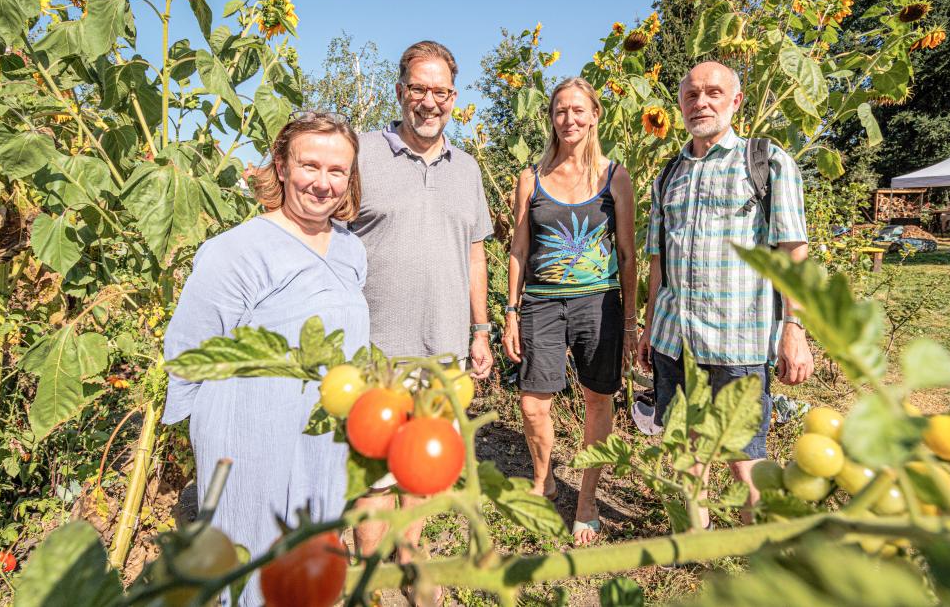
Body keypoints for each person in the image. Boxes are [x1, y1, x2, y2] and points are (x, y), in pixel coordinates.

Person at [163, 112, 368, 605]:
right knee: (254, 559)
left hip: (324, 437)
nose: (323, 184)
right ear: (281, 166)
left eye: (337, 171)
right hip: (253, 440)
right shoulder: (235, 252)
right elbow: (191, 348)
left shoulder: (351, 248)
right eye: (309, 166)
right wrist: (214, 441)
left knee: (311, 557)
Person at [636, 61, 814, 528]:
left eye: (714, 93)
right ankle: (694, 534)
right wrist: (649, 326)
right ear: (680, 105)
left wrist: (794, 329)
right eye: (692, 95)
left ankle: (759, 555)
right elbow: (658, 260)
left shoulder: (767, 161)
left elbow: (794, 252)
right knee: (684, 446)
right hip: (676, 338)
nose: (702, 103)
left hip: (740, 338)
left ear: (736, 101)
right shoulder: (668, 174)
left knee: (744, 454)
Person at [347, 41, 494, 582]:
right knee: (372, 477)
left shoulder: (468, 168)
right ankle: (366, 578)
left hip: (446, 353)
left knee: (421, 471)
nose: (429, 101)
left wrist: (480, 330)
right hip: (373, 351)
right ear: (400, 91)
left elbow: (475, 250)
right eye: (418, 89)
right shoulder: (361, 154)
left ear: (453, 97)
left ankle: (410, 566)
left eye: (440, 91)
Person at [502, 77, 638, 545]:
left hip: (598, 302)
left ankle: (587, 498)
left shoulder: (614, 176)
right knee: (533, 402)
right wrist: (510, 312)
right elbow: (519, 249)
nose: (570, 119)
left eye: (579, 110)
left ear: (595, 115)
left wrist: (632, 320)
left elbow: (626, 254)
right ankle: (544, 480)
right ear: (552, 118)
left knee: (597, 399)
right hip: (540, 301)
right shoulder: (531, 179)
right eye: (561, 111)